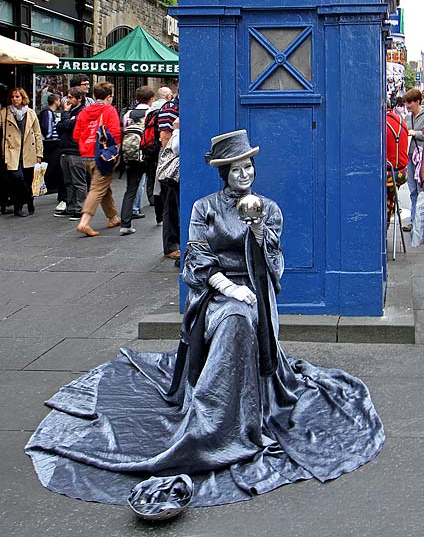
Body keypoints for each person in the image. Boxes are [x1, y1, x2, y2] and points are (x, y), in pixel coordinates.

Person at [26, 129, 384, 510]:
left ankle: (232, 415)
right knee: (235, 317)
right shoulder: (204, 208)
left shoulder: (268, 208)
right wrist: (229, 288)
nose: (244, 175)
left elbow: (274, 263)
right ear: (223, 173)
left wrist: (259, 231)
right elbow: (195, 260)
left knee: (245, 316)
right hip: (214, 294)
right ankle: (214, 421)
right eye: (236, 169)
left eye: (248, 167)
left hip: (257, 291)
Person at [72, 81, 121, 237]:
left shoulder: (85, 111)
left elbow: (76, 135)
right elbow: (115, 133)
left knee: (102, 185)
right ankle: (84, 222)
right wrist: (117, 153)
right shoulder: (109, 110)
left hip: (86, 154)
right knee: (97, 188)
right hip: (102, 155)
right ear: (108, 96)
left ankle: (113, 217)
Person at [0, 88, 43, 216]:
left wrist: (39, 154)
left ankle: (28, 201)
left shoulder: (31, 113)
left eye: (17, 96)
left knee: (28, 180)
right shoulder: (4, 112)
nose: (15, 99)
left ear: (23, 97)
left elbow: (37, 134)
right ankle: (19, 206)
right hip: (11, 151)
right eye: (12, 97)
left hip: (28, 151)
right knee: (17, 178)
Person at [119, 86, 155, 235]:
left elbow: (124, 130)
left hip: (131, 154)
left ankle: (125, 224)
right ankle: (160, 217)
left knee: (130, 189)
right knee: (155, 184)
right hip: (147, 153)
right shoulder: (151, 113)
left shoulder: (128, 114)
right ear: (151, 99)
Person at [56, 87, 88, 221]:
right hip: (65, 149)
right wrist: (65, 120)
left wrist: (65, 115)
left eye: (70, 97)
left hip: (76, 150)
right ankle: (71, 206)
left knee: (78, 181)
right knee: (68, 181)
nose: (67, 100)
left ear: (79, 98)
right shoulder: (70, 112)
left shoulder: (82, 112)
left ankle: (80, 209)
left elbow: (69, 126)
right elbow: (59, 127)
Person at [38, 93, 67, 216]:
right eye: (59, 99)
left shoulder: (49, 112)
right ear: (55, 101)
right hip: (51, 145)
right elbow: (48, 130)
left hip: (53, 144)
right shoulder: (48, 113)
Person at [157, 116, 180, 258]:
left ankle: (171, 246)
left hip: (173, 171)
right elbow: (175, 147)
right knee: (172, 207)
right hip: (175, 171)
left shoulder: (169, 107)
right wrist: (177, 130)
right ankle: (171, 247)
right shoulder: (174, 111)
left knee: (170, 207)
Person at [403, 88, 424, 231]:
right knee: (412, 190)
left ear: (417, 101)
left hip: (422, 158)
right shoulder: (406, 117)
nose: (407, 105)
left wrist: (414, 133)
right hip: (410, 157)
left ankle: (420, 221)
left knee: (420, 188)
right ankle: (413, 221)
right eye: (406, 102)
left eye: (409, 102)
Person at [386, 108, 408, 227]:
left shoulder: (381, 123)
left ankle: (384, 222)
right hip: (402, 173)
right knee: (390, 197)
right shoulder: (401, 122)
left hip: (389, 174)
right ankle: (390, 210)